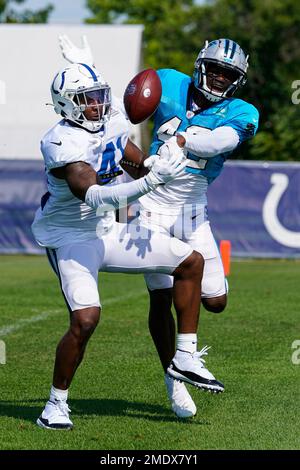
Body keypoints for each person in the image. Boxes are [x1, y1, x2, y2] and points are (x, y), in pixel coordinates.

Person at [59, 35, 258, 419]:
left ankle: (183, 359)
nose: (217, 78)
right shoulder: (167, 80)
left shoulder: (243, 111)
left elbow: (218, 141)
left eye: (226, 74)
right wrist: (90, 69)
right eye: (214, 69)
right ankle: (176, 381)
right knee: (162, 296)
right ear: (201, 64)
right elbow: (114, 110)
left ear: (237, 79)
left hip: (192, 211)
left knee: (215, 301)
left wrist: (182, 141)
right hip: (148, 206)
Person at [32, 61, 224, 430]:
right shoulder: (60, 142)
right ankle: (55, 405)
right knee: (86, 320)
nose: (97, 105)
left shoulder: (113, 122)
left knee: (191, 261)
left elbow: (136, 165)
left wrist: (156, 163)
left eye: (99, 96)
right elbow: (96, 196)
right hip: (71, 236)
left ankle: (184, 356)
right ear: (67, 105)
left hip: (107, 230)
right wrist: (153, 184)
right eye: (87, 99)